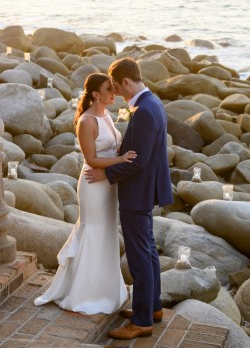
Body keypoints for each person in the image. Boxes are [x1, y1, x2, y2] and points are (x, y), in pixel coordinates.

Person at [85, 57, 173, 340]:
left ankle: (143, 321)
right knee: (148, 250)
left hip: (138, 191)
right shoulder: (153, 103)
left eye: (117, 89)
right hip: (146, 189)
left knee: (139, 258)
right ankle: (153, 306)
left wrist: (107, 176)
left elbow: (140, 161)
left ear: (125, 81)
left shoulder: (145, 111)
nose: (118, 95)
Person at [34, 73, 136, 314]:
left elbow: (113, 146)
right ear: (95, 94)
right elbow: (91, 159)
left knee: (107, 233)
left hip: (109, 184)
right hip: (93, 183)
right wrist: (121, 160)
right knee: (92, 231)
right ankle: (84, 293)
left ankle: (107, 290)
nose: (114, 93)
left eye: (114, 88)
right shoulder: (87, 121)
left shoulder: (107, 116)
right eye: (108, 89)